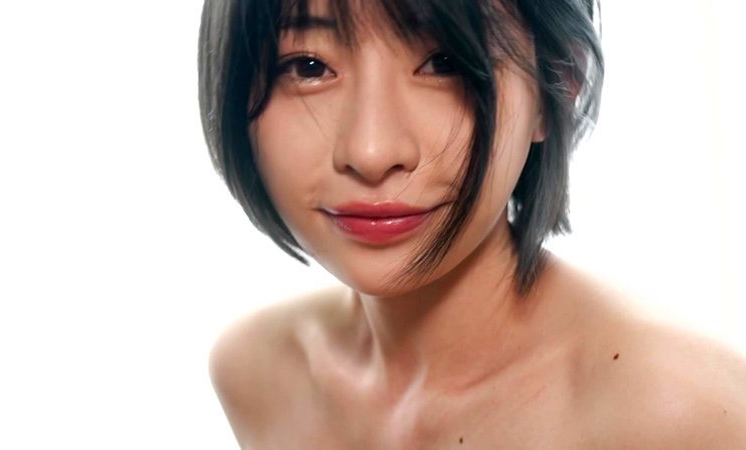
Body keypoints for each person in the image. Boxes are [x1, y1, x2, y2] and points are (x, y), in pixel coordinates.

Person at [198, 0, 746, 447]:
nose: (370, 151)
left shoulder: (678, 411)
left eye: (444, 62)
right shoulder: (257, 372)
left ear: (556, 83)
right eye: (308, 67)